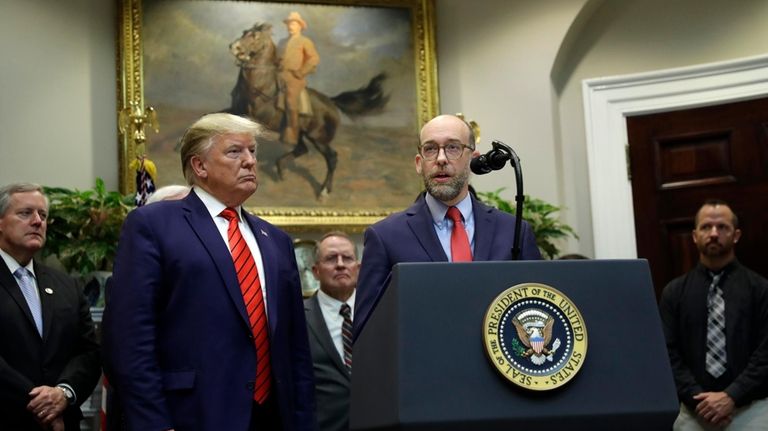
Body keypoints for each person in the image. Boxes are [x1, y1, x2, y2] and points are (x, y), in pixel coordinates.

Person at [102, 113, 316, 431]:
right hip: (190, 414)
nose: (250, 161)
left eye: (253, 151)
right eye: (235, 152)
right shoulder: (154, 225)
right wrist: (153, 423)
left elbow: (295, 346)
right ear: (200, 166)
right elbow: (130, 337)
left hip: (272, 417)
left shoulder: (276, 241)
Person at [353, 114, 542, 339]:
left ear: (473, 159)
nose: (441, 159)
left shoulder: (513, 232)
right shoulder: (385, 237)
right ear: (418, 163)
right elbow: (368, 332)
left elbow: (538, 311)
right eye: (430, 149)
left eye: (453, 147)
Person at [660, 199, 768, 430]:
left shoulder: (761, 289)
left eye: (723, 227)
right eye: (706, 227)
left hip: (752, 410)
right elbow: (667, 354)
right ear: (694, 235)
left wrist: (731, 396)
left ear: (736, 235)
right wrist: (700, 400)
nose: (714, 233)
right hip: (693, 411)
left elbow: (766, 353)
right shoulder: (674, 292)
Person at [0, 183, 100, 431]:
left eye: (42, 215)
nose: (37, 221)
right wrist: (42, 406)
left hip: (64, 422)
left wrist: (63, 394)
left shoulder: (67, 286)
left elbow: (88, 353)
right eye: (25, 213)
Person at [304, 232, 359, 431]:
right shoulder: (297, 317)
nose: (340, 264)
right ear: (316, 271)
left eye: (347, 258)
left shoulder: (379, 310)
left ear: (358, 268)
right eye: (330, 258)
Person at [277, 11, 320, 148]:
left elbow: (314, 58)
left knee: (290, 100)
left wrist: (301, 72)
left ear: (300, 26)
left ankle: (292, 133)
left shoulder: (304, 41)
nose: (290, 26)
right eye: (289, 24)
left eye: (294, 24)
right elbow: (276, 59)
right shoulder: (282, 42)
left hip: (294, 78)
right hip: (279, 75)